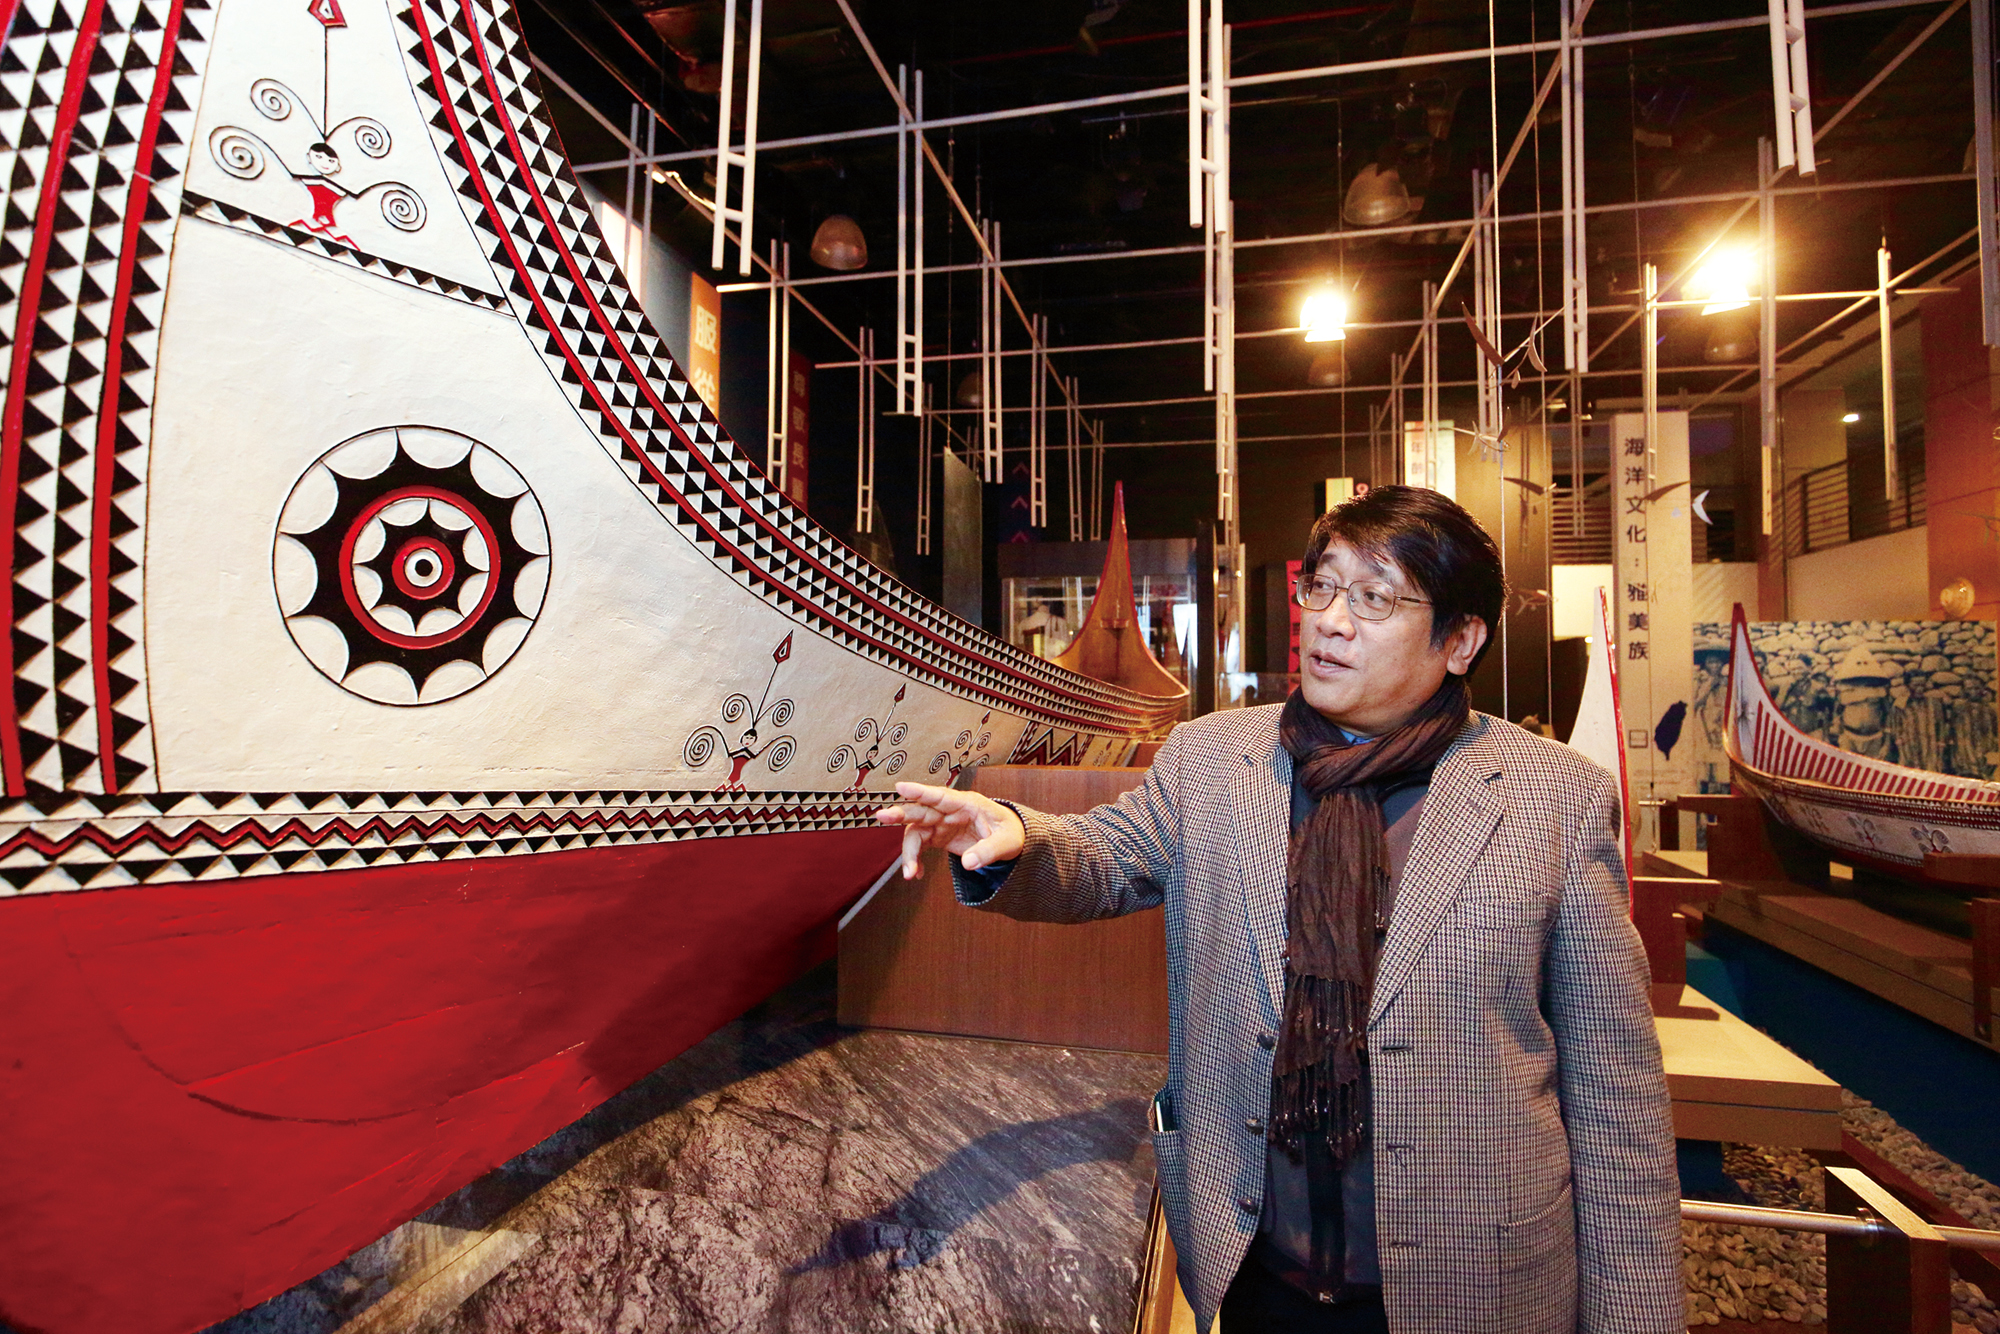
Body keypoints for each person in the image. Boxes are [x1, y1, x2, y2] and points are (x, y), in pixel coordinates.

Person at [878, 486, 1681, 1334]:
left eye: (1375, 598)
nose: (1330, 621)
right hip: (1257, 1270)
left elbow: (1615, 1096)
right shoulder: (1214, 757)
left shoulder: (1554, 799)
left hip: (1477, 1284)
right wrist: (1016, 837)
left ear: (1460, 640)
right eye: (1321, 587)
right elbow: (1108, 856)